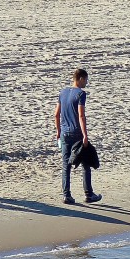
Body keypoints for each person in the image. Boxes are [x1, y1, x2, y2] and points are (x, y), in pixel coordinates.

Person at [54, 68, 101, 205]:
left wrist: (58, 131)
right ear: (80, 78)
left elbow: (56, 114)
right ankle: (89, 194)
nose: (86, 82)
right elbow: (81, 115)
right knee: (86, 162)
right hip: (77, 133)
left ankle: (66, 195)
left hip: (64, 133)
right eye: (86, 79)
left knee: (66, 164)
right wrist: (85, 135)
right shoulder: (81, 94)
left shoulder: (62, 92)